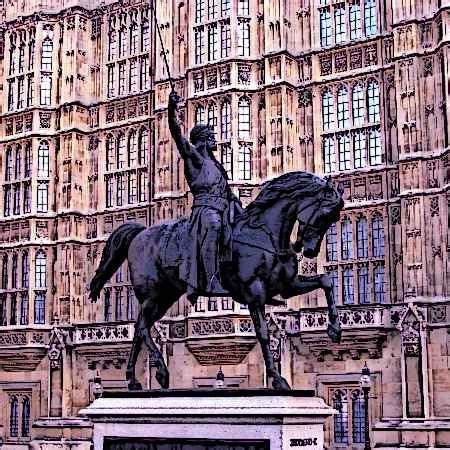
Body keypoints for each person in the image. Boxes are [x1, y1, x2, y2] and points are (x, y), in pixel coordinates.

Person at [168, 90, 242, 304]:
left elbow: (227, 192)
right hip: (206, 211)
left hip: (224, 207)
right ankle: (210, 280)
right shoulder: (194, 158)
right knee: (214, 226)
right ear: (201, 140)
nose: (214, 140)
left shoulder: (216, 166)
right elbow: (176, 134)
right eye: (210, 137)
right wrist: (172, 108)